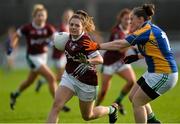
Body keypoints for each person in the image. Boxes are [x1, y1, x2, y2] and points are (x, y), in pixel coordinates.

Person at [82, 4, 178, 123]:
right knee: (133, 96)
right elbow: (157, 50)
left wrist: (98, 46)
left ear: (141, 19)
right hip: (155, 72)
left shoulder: (146, 30)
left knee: (138, 102)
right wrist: (138, 56)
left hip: (164, 73)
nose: (130, 22)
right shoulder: (151, 29)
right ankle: (153, 121)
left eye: (132, 19)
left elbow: (120, 44)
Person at [47, 10, 118, 123]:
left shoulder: (85, 41)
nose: (73, 27)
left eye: (77, 25)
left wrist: (88, 61)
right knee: (56, 106)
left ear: (83, 27)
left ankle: (111, 109)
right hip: (70, 77)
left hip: (87, 82)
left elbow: (100, 59)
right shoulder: (66, 37)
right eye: (71, 24)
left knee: (88, 116)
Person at [9, 4, 58, 110]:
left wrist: (52, 42)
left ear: (46, 16)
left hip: (43, 57)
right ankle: (58, 104)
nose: (41, 17)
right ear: (34, 16)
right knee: (51, 77)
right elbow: (16, 35)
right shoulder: (28, 27)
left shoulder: (48, 27)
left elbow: (56, 38)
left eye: (43, 15)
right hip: (32, 57)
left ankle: (15, 94)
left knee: (29, 81)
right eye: (39, 15)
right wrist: (12, 46)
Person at [96, 8, 136, 115]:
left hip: (120, 61)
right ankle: (94, 109)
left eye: (129, 19)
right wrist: (133, 43)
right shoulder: (117, 31)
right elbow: (121, 49)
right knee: (103, 92)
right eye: (125, 19)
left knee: (131, 81)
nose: (128, 21)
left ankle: (117, 101)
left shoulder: (131, 30)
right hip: (109, 62)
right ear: (120, 19)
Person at [35, 9, 74, 92]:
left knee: (64, 75)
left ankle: (43, 81)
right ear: (64, 16)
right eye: (67, 15)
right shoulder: (61, 27)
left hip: (65, 55)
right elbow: (55, 39)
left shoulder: (70, 27)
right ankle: (56, 89)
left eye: (69, 15)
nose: (68, 17)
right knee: (61, 76)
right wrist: (49, 44)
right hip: (58, 55)